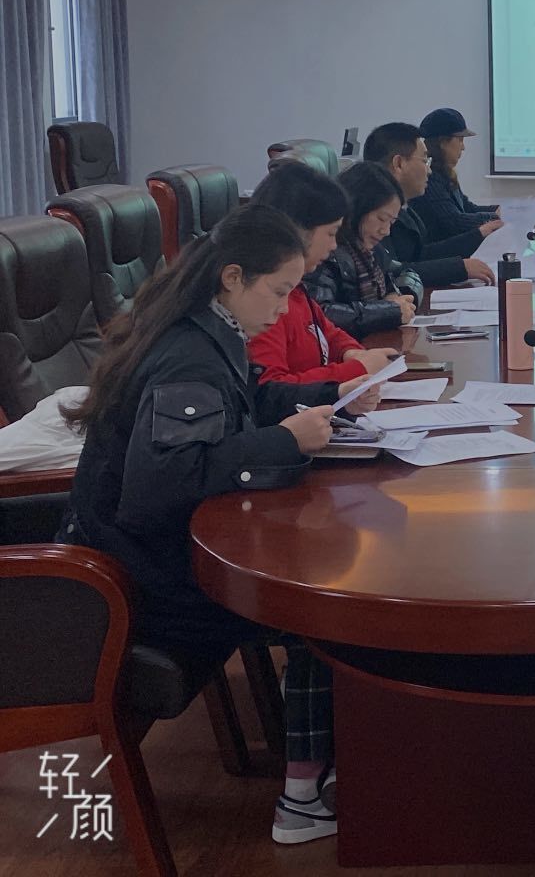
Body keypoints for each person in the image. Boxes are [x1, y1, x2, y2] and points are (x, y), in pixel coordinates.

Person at [57, 204, 377, 845]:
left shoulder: (207, 327)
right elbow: (160, 486)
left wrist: (326, 397)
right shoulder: (189, 356)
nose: (285, 310)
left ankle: (330, 763)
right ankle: (303, 801)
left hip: (151, 555)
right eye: (279, 292)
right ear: (233, 277)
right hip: (142, 583)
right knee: (323, 613)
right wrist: (284, 442)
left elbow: (245, 402)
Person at [247, 160, 400, 385]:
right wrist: (356, 369)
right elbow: (272, 388)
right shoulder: (265, 299)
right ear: (298, 230)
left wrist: (352, 353)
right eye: (330, 233)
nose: (334, 245)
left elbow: (328, 333)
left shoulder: (297, 289)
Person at [361, 121, 496, 288]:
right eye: (425, 161)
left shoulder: (403, 208)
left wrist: (478, 235)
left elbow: (421, 254)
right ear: (399, 164)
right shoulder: (371, 212)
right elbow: (390, 271)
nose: (429, 170)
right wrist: (457, 268)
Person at [306, 162, 425, 338]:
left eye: (391, 222)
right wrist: (387, 311)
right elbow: (321, 314)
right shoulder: (326, 251)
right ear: (357, 208)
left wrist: (400, 298)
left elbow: (405, 272)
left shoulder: (369, 251)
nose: (386, 231)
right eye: (381, 219)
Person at [411, 107, 505, 241]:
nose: (463, 147)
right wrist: (495, 217)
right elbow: (454, 221)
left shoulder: (445, 173)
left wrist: (498, 209)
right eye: (460, 140)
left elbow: (466, 207)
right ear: (443, 142)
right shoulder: (429, 178)